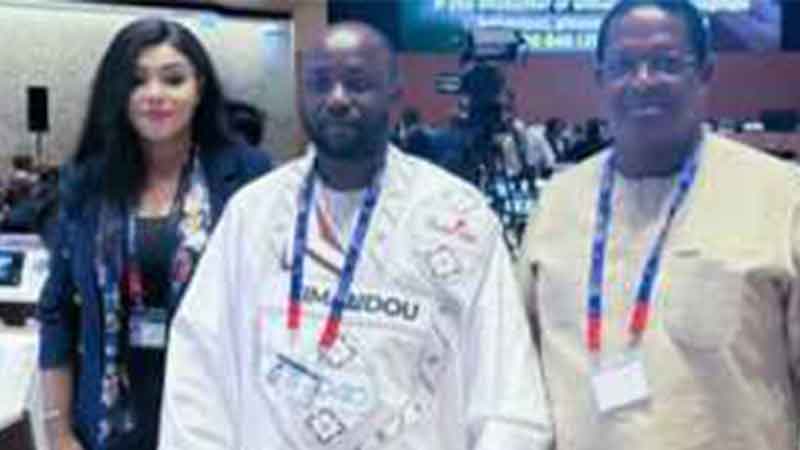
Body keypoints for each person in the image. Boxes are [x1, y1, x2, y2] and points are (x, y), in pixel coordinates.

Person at [158, 22, 553, 450]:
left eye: (358, 83)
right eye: (320, 83)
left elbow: (509, 400)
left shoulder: (459, 218)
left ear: (395, 92)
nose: (337, 98)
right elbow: (198, 375)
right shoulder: (253, 214)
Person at [518, 1, 800, 449]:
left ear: (705, 73)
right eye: (623, 65)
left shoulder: (781, 197)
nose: (643, 80)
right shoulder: (557, 204)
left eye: (667, 64)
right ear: (599, 78)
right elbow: (520, 373)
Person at [37, 18, 271, 450]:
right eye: (137, 81)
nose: (155, 94)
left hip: (218, 422)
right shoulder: (86, 182)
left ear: (199, 88)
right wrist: (58, 432)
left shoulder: (247, 176)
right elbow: (57, 311)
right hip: (107, 426)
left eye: (173, 79)